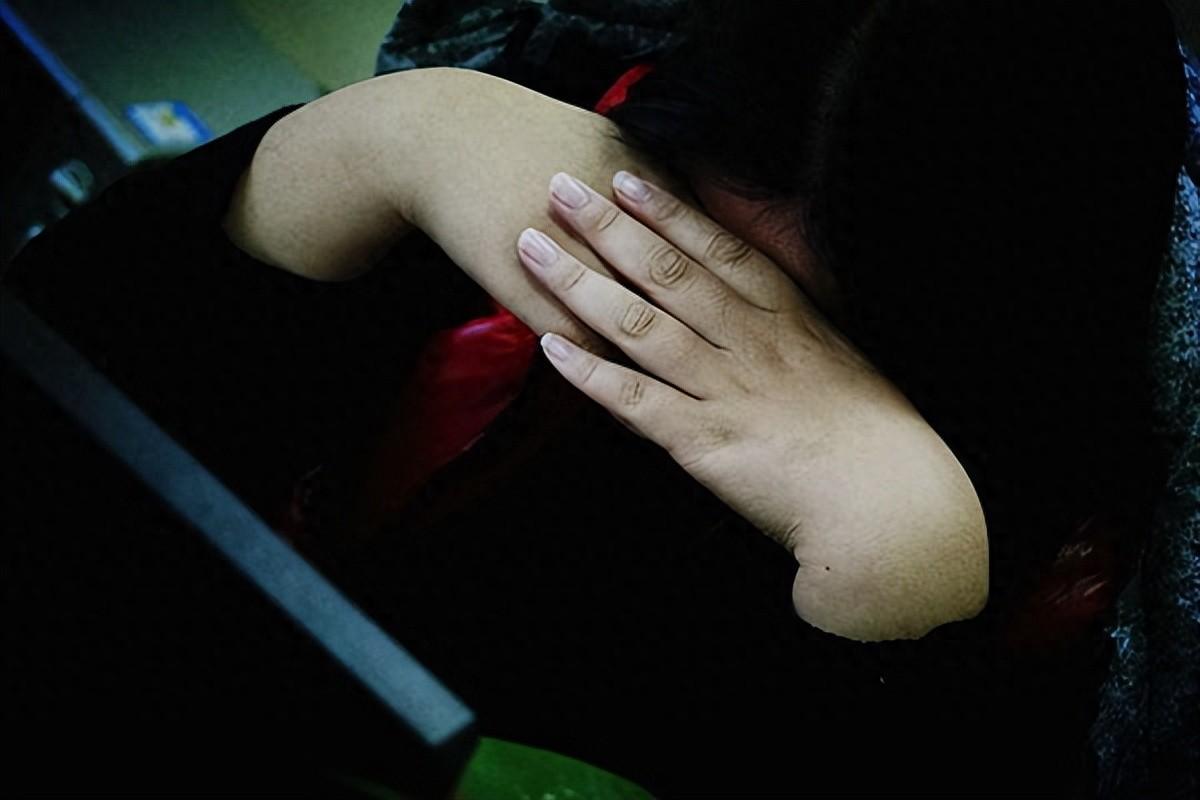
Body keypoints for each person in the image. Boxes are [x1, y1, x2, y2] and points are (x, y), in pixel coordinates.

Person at [2, 1, 1186, 795]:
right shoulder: (501, 154)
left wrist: (898, 592)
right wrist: (368, 146)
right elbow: (67, 474)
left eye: (803, 335)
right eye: (672, 245)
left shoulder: (1033, 543)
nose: (689, 326)